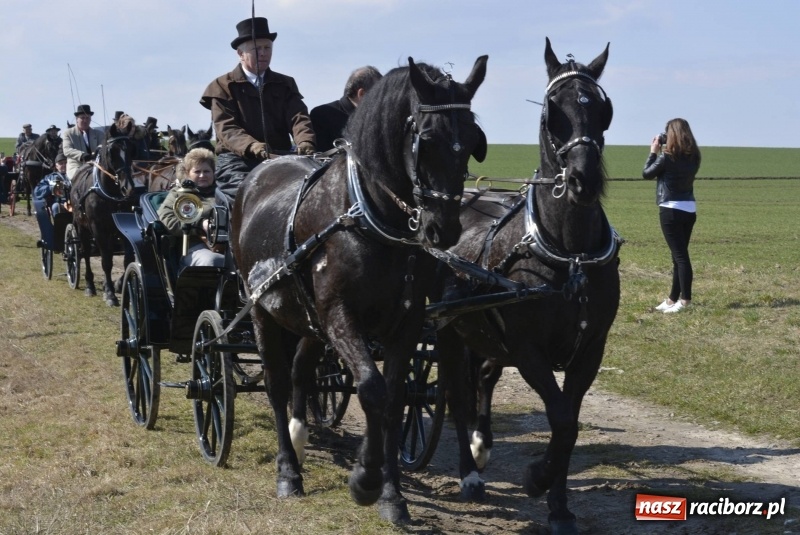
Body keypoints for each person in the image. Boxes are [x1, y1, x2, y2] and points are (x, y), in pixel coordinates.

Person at [199, 16, 316, 199]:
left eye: (267, 48)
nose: (263, 53)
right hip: (237, 161)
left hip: (281, 157)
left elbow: (298, 117)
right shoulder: (222, 87)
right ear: (240, 53)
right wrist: (253, 146)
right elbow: (227, 129)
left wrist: (305, 142)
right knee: (249, 197)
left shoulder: (285, 84)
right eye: (256, 49)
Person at [643, 118, 702, 314]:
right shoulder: (695, 156)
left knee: (680, 257)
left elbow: (646, 174)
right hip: (689, 209)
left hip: (670, 209)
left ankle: (685, 301)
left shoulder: (666, 157)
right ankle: (671, 299)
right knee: (678, 257)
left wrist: (653, 152)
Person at [157, 147, 226, 268]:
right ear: (187, 173)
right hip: (193, 246)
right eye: (197, 172)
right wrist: (199, 225)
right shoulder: (179, 194)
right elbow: (167, 218)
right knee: (214, 261)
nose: (202, 175)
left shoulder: (224, 192)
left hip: (228, 244)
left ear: (213, 172)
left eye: (207, 171)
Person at [310, 66, 382, 152]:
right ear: (362, 94)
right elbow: (319, 160)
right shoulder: (322, 115)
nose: (382, 100)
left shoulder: (377, 119)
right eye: (379, 94)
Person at [33, 152, 71, 248]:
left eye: (65, 163)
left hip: (75, 204)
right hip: (60, 204)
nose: (64, 165)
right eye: (61, 163)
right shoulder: (51, 177)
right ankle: (60, 237)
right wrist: (50, 188)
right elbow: (37, 191)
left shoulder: (75, 174)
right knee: (56, 207)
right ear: (56, 166)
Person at [62, 104, 105, 179]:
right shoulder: (68, 133)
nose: (85, 120)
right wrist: (82, 155)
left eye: (87, 118)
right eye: (82, 118)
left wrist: (98, 150)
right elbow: (67, 150)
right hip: (76, 166)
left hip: (97, 165)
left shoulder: (99, 134)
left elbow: (103, 145)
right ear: (77, 119)